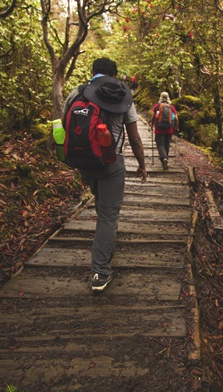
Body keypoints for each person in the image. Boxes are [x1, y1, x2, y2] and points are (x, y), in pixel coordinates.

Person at [62, 57, 147, 292]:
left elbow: (63, 124)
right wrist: (142, 165)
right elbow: (135, 138)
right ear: (114, 74)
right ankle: (100, 272)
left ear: (93, 72)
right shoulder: (122, 95)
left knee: (102, 206)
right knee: (108, 216)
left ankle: (105, 244)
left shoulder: (76, 92)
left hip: (83, 161)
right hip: (111, 162)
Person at [150, 92, 178, 170]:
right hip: (169, 129)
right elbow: (176, 118)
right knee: (166, 145)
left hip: (159, 129)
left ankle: (164, 158)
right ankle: (165, 160)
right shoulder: (172, 107)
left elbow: (153, 117)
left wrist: (152, 125)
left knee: (160, 145)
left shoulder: (157, 106)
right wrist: (176, 127)